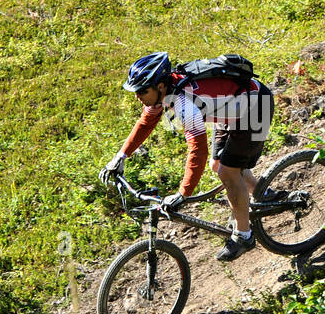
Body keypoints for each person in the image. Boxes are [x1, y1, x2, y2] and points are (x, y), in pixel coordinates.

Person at [99, 51, 276, 262]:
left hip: (256, 108)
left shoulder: (184, 104)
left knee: (227, 172)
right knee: (217, 164)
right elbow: (146, 123)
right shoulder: (164, 91)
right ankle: (261, 194)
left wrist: (182, 194)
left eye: (142, 91)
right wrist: (120, 157)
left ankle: (244, 236)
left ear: (160, 86)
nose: (138, 96)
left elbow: (198, 151)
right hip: (231, 108)